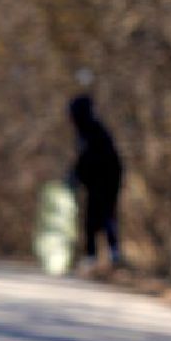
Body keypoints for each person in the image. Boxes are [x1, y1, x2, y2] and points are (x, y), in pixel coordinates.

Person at [67, 92, 123, 269]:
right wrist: (76, 175)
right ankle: (93, 255)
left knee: (105, 217)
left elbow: (93, 159)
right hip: (96, 182)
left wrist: (78, 174)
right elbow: (84, 160)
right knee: (92, 219)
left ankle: (111, 255)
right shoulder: (85, 131)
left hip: (106, 181)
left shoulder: (94, 130)